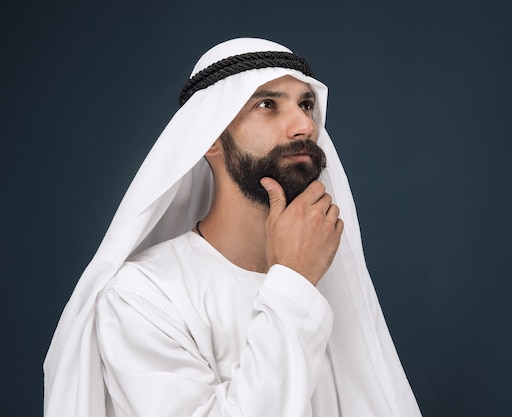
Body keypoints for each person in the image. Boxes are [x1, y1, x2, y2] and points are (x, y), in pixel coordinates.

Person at [43, 38, 421, 417]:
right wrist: (293, 283)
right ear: (208, 138)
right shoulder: (142, 296)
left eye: (306, 104)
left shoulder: (330, 272)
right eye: (267, 105)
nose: (305, 124)